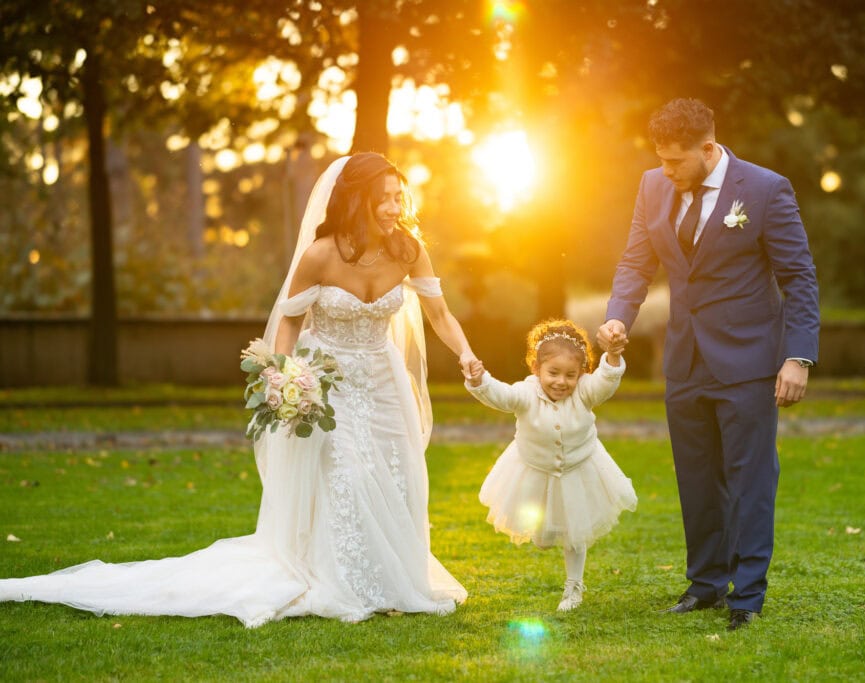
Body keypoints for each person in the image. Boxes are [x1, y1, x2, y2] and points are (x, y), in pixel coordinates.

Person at [0, 152, 477, 626]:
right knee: (348, 475)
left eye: (398, 197)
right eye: (383, 199)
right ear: (356, 200)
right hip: (329, 380)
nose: (395, 208)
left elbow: (440, 315)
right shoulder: (321, 254)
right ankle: (350, 582)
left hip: (384, 381)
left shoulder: (407, 250)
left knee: (399, 475)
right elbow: (289, 321)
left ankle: (395, 581)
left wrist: (466, 354)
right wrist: (286, 375)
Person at [598, 98, 819, 631]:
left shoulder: (766, 189)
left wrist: (798, 356)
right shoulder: (654, 186)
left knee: (748, 478)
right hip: (684, 360)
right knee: (696, 477)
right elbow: (635, 262)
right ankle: (705, 584)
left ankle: (748, 593)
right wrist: (616, 317)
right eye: (660, 159)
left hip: (748, 360)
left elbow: (799, 277)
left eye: (675, 161)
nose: (665, 170)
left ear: (708, 148)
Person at [465, 319, 637, 612]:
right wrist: (480, 380)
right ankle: (546, 533)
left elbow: (605, 382)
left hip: (579, 467)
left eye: (571, 375)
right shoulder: (526, 393)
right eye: (553, 373)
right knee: (544, 538)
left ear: (582, 373)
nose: (561, 382)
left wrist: (613, 356)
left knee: (575, 530)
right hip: (535, 467)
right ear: (536, 369)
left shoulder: (585, 390)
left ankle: (574, 586)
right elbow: (502, 396)